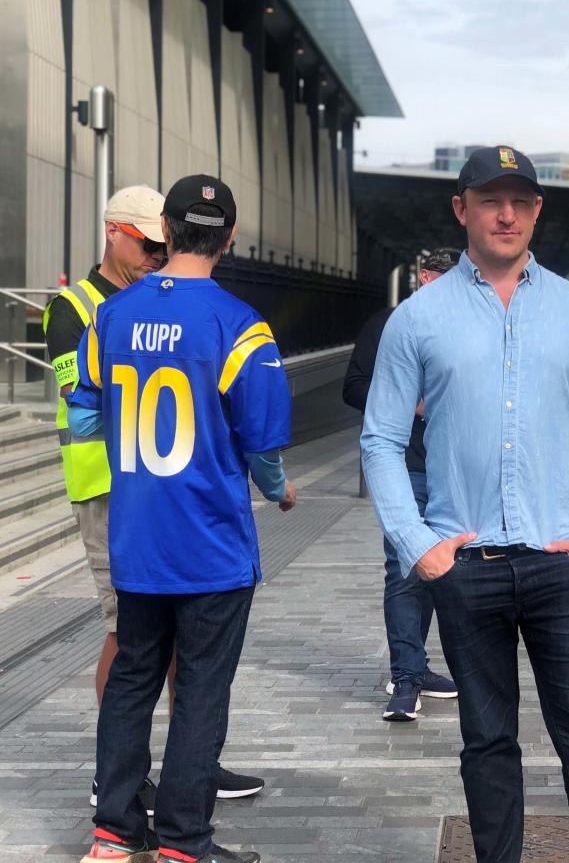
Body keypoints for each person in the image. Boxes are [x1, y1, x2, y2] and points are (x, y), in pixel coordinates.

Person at [360, 146, 569, 863]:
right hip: (468, 563)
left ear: (539, 210)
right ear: (462, 209)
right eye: (490, 199)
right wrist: (417, 542)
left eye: (520, 199)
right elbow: (381, 442)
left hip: (562, 562)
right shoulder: (418, 319)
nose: (506, 213)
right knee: (487, 741)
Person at [72, 175, 296, 863]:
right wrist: (279, 491)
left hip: (137, 538)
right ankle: (183, 843)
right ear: (229, 237)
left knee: (133, 678)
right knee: (200, 690)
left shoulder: (108, 317)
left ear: (166, 229)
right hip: (211, 545)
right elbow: (262, 442)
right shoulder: (239, 325)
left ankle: (112, 833)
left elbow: (84, 411)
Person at [42, 186, 264, 817]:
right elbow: (80, 407)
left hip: (151, 488)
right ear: (115, 232)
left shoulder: (149, 302)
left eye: (162, 245)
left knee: (172, 639)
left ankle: (186, 766)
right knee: (129, 634)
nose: (155, 254)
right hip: (108, 488)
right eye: (146, 244)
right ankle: (116, 779)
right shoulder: (76, 308)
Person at [343, 246, 461, 722]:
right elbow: (352, 386)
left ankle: (419, 666)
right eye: (439, 275)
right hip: (407, 467)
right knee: (403, 569)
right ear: (422, 276)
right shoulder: (389, 324)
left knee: (441, 573)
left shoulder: (472, 327)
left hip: (457, 473)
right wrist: (405, 400)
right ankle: (407, 676)